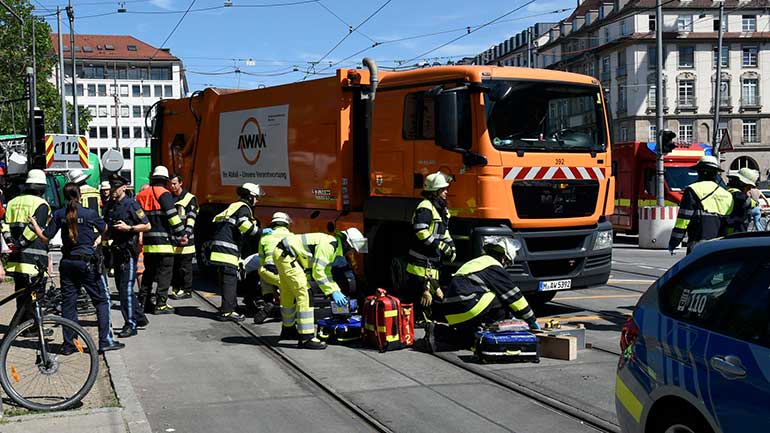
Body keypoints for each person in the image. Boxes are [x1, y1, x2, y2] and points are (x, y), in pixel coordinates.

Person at [28, 183, 124, 353]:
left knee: (69, 304)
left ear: (65, 196)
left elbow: (45, 238)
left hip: (67, 264)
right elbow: (106, 229)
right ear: (80, 195)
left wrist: (35, 225)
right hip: (87, 263)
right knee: (101, 301)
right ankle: (105, 341)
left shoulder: (59, 214)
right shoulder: (89, 213)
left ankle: (69, 345)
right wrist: (98, 239)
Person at [424, 236, 539, 352]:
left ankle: (439, 332)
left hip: (452, 313)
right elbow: (516, 298)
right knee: (503, 297)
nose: (505, 267)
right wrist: (531, 321)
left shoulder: (477, 262)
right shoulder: (494, 267)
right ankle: (497, 334)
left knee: (469, 340)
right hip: (467, 307)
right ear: (504, 258)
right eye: (508, 263)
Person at [274, 227, 367, 350]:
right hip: (288, 256)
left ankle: (288, 329)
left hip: (283, 255)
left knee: (289, 294)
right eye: (351, 249)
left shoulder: (333, 247)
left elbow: (326, 272)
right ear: (346, 243)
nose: (351, 253)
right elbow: (318, 272)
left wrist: (335, 290)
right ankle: (306, 338)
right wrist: (332, 292)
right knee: (305, 294)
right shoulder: (329, 246)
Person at [0, 170, 51, 329]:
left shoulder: (13, 202)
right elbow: (34, 230)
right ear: (41, 188)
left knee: (21, 294)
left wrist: (10, 242)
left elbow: (5, 224)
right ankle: (33, 327)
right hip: (34, 260)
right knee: (36, 296)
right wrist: (20, 243)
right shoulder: (41, 205)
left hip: (17, 260)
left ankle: (21, 326)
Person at [104, 174, 151, 337]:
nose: (113, 190)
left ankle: (130, 324)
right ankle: (138, 316)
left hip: (128, 252)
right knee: (121, 287)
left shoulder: (131, 204)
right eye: (112, 187)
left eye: (116, 187)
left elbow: (147, 225)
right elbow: (106, 226)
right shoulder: (111, 204)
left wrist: (129, 229)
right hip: (116, 250)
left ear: (124, 188)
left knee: (125, 289)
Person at [208, 182, 263, 322]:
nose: (257, 200)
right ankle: (227, 311)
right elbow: (244, 226)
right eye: (256, 197)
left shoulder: (234, 206)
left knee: (227, 279)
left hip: (219, 248)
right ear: (250, 197)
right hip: (227, 249)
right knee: (230, 280)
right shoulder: (244, 208)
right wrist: (262, 233)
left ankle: (230, 306)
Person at [135, 166, 186, 314]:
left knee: (149, 273)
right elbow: (172, 216)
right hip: (164, 243)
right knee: (165, 273)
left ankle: (144, 302)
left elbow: (138, 216)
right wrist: (181, 233)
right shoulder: (164, 194)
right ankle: (161, 304)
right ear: (165, 180)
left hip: (148, 243)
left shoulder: (141, 195)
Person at [406, 171, 455, 316]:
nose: (446, 192)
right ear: (435, 192)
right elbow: (421, 231)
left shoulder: (440, 209)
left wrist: (450, 245)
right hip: (420, 266)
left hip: (432, 264)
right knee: (421, 303)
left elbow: (443, 231)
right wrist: (440, 246)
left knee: (433, 302)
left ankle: (429, 330)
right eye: (443, 189)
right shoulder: (425, 206)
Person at [668, 156, 734, 255]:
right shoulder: (727, 195)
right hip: (720, 246)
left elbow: (683, 220)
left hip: (698, 245)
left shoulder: (692, 189)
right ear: (716, 173)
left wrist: (674, 241)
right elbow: (729, 226)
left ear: (699, 172)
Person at [253, 212, 293, 324]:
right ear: (286, 224)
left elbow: (261, 259)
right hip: (286, 269)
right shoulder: (292, 236)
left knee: (264, 277)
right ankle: (285, 308)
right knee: (288, 288)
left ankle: (268, 301)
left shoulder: (265, 237)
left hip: (269, 269)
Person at [168, 173, 198, 300]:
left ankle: (187, 290)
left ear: (181, 183)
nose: (172, 186)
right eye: (170, 184)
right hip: (174, 238)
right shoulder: (169, 197)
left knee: (185, 267)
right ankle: (177, 287)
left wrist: (187, 233)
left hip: (186, 238)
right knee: (176, 266)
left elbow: (191, 217)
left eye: (174, 183)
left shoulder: (189, 198)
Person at [725, 168, 759, 234]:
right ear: (742, 184)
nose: (749, 189)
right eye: (749, 186)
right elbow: (748, 202)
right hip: (736, 234)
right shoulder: (740, 197)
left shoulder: (727, 192)